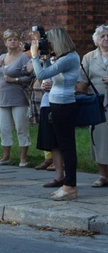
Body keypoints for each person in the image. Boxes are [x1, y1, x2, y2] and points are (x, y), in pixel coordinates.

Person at [30, 28, 80, 200]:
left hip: (64, 105)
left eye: (50, 43)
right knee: (62, 144)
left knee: (67, 146)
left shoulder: (69, 58)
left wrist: (34, 56)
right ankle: (68, 184)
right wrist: (45, 59)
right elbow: (48, 75)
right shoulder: (64, 58)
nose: (48, 45)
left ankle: (70, 186)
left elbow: (41, 74)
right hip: (57, 103)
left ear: (58, 41)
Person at [0, 29, 33, 167]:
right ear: (5, 42)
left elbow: (30, 77)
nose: (13, 42)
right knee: (4, 129)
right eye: (10, 40)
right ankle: (6, 157)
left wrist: (14, 79)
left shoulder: (23, 57)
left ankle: (23, 158)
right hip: (3, 98)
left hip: (18, 97)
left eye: (15, 39)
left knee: (21, 127)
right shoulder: (2, 57)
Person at [78, 24, 108, 187]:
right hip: (98, 104)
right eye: (102, 36)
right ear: (96, 40)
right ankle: (103, 175)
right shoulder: (89, 57)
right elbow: (82, 80)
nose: (106, 38)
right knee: (99, 139)